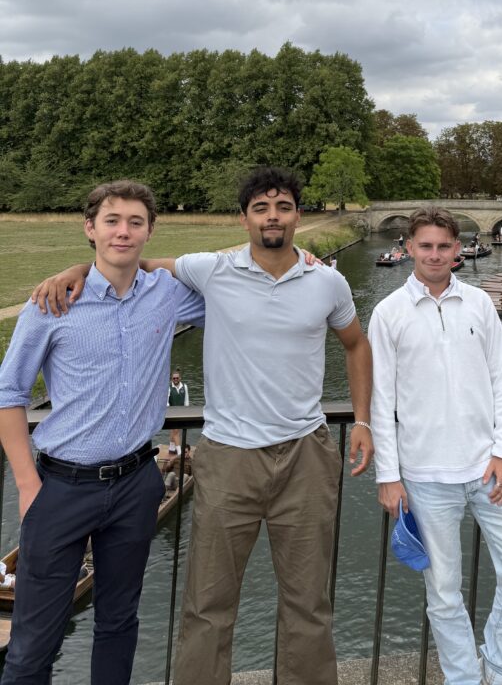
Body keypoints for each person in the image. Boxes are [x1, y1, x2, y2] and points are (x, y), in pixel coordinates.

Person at [32, 166, 373, 685]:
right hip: (229, 457)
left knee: (308, 603)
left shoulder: (327, 279)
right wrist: (78, 268)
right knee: (208, 604)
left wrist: (364, 420)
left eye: (283, 207)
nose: (273, 217)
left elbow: (356, 344)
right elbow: (132, 259)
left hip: (306, 454)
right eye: (261, 208)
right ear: (244, 219)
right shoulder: (211, 269)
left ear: (298, 215)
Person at [0, 180, 205, 685]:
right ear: (89, 228)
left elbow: (239, 283)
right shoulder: (50, 304)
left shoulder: (167, 296)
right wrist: (29, 487)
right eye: (112, 221)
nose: (124, 231)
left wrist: (298, 260)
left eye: (136, 222)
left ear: (150, 231)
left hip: (137, 483)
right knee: (33, 642)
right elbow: (9, 396)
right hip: (61, 488)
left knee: (119, 623)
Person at [370, 206, 502, 685]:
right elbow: (381, 400)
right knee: (443, 592)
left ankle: (499, 668)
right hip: (425, 476)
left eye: (444, 246)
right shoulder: (388, 313)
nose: (434, 254)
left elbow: (501, 383)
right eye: (425, 245)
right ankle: (464, 678)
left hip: (487, 469)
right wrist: (389, 476)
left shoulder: (479, 305)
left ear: (457, 250)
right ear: (407, 249)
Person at [167, 367, 189, 454]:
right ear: (171, 379)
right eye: (173, 378)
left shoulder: (185, 387)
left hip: (182, 412)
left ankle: (172, 448)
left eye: (177, 378)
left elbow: (186, 401)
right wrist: (169, 411)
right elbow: (166, 402)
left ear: (180, 378)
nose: (175, 379)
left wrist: (187, 411)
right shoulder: (169, 388)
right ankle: (180, 452)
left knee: (175, 430)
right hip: (172, 412)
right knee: (176, 431)